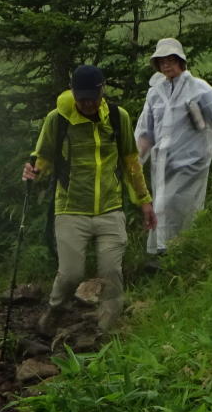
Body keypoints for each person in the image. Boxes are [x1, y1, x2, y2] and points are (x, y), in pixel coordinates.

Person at [22, 64, 155, 335]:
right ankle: (55, 310)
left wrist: (144, 201)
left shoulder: (118, 117)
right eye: (81, 98)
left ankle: (105, 332)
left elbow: (131, 162)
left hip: (110, 208)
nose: (87, 103)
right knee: (70, 274)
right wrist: (33, 171)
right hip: (71, 209)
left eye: (92, 98)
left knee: (111, 273)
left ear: (101, 91)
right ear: (72, 92)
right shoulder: (58, 119)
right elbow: (43, 156)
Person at [134, 38, 212, 261]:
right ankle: (164, 254)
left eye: (170, 60)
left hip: (190, 160)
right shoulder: (155, 94)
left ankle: (178, 252)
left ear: (180, 61)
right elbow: (145, 131)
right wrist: (135, 162)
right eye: (162, 61)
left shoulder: (199, 89)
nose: (166, 65)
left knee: (179, 206)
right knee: (161, 204)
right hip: (163, 164)